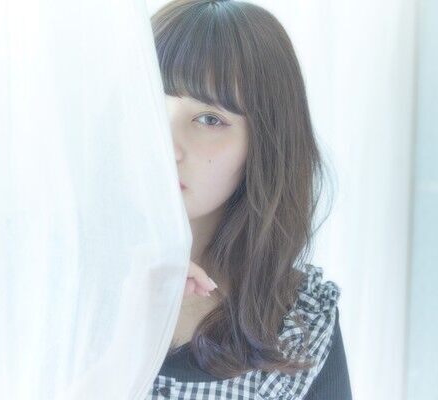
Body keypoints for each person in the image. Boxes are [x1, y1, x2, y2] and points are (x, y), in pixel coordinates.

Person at [146, 1, 352, 399]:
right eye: (152, 106)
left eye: (210, 119)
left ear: (264, 147)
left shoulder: (299, 326)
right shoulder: (61, 279)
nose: (166, 147)